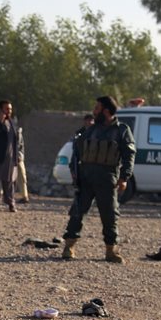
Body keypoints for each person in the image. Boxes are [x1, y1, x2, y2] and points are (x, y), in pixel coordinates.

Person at [61, 95, 135, 263]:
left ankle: (111, 250)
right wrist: (75, 172)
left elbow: (129, 155)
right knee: (78, 212)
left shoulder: (121, 131)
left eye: (97, 108)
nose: (94, 112)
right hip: (86, 177)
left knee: (109, 215)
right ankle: (69, 246)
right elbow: (77, 153)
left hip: (107, 178)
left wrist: (124, 177)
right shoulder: (90, 130)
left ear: (106, 111)